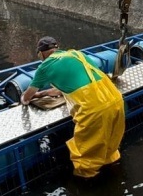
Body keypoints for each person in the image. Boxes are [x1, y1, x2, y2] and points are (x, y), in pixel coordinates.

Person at [21, 36, 125, 178]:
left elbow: (27, 98)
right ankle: (115, 172)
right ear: (57, 48)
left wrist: (25, 98)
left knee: (85, 157)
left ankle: (88, 184)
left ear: (41, 53)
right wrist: (43, 94)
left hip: (94, 109)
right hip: (115, 99)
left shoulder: (45, 67)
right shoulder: (76, 54)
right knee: (109, 146)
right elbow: (68, 87)